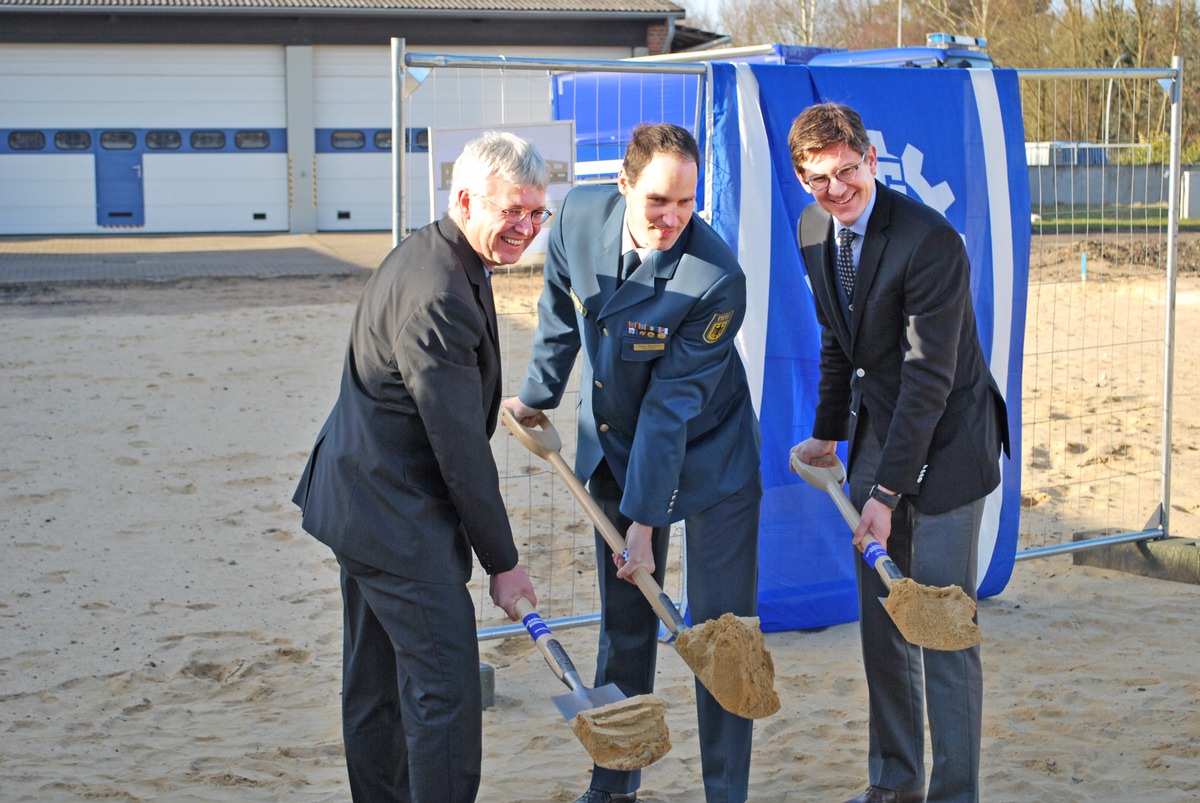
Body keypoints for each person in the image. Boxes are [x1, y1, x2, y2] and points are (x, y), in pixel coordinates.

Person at [503, 123, 762, 803]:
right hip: (618, 444)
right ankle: (614, 783)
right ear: (623, 186)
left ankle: (725, 791)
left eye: (687, 202)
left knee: (722, 635)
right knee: (624, 624)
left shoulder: (716, 278)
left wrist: (644, 523)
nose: (673, 218)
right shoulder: (579, 219)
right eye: (657, 202)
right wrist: (537, 395)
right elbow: (560, 308)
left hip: (712, 458)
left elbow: (672, 407)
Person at [292, 130, 545, 803]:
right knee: (446, 691)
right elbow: (459, 451)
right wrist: (504, 561)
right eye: (510, 211)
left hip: (363, 498)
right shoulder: (438, 291)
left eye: (535, 212)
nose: (524, 226)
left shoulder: (436, 254)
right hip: (392, 514)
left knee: (375, 684)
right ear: (464, 199)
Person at [786, 102, 1009, 803]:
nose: (836, 190)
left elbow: (928, 380)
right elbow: (835, 339)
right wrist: (827, 433)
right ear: (801, 178)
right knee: (885, 629)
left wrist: (882, 497)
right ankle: (894, 785)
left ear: (870, 160)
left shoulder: (929, 241)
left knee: (940, 629)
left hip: (947, 446)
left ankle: (953, 794)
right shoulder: (812, 229)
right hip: (879, 434)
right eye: (819, 179)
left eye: (847, 171)